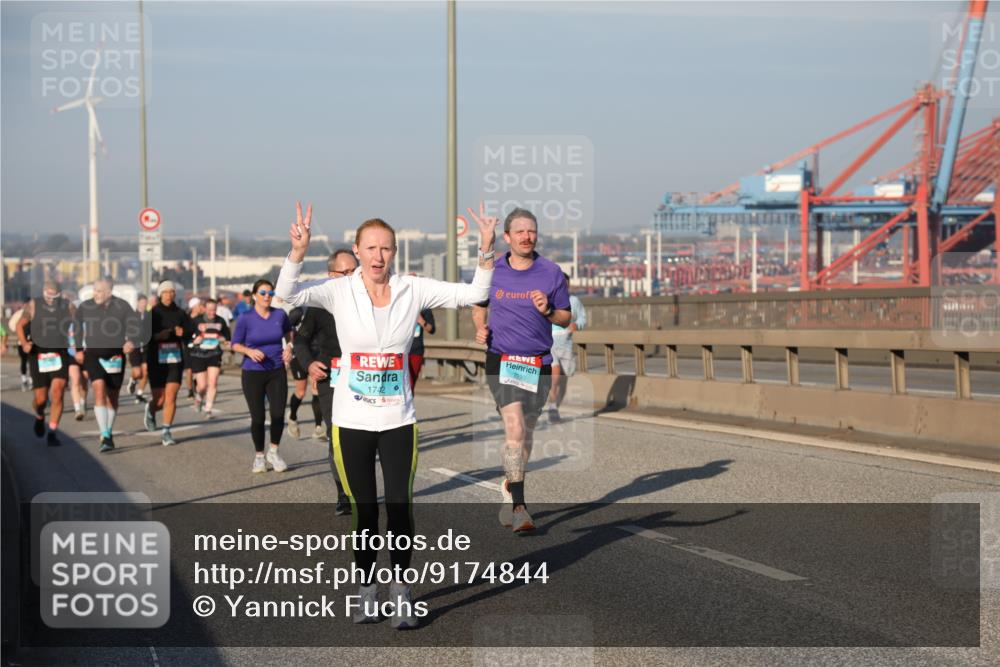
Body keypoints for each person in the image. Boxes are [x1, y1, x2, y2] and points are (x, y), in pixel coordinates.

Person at [276, 202, 496, 629]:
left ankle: (401, 592)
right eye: (371, 247)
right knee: (364, 512)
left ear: (395, 252)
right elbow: (286, 298)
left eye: (387, 248)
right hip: (352, 421)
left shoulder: (412, 289)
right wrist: (297, 253)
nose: (379, 256)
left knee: (399, 508)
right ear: (357, 251)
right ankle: (366, 592)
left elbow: (473, 294)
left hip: (398, 419)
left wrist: (485, 249)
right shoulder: (338, 290)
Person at [471, 207, 571, 534]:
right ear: (508, 237)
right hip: (501, 359)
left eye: (532, 231)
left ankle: (510, 485)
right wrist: (480, 328)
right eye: (520, 232)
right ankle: (520, 508)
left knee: (525, 433)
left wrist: (549, 310)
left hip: (538, 362)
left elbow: (566, 318)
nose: (527, 237)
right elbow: (477, 303)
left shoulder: (552, 273)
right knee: (514, 429)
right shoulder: (493, 270)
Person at [292, 248, 358, 515]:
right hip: (332, 377)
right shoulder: (320, 306)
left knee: (366, 438)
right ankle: (343, 493)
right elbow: (301, 340)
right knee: (338, 437)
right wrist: (309, 363)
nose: (352, 277)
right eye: (346, 273)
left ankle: (362, 488)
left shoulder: (371, 298)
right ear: (331, 275)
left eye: (355, 271)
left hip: (366, 377)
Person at [231, 279, 293, 473]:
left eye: (270, 293)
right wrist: (249, 352)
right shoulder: (245, 318)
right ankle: (259, 456)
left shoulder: (280, 315)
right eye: (264, 293)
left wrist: (289, 346)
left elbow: (289, 333)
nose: (268, 296)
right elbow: (235, 343)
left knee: (278, 414)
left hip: (276, 371)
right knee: (258, 417)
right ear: (254, 296)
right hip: (253, 373)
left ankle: (273, 451)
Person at [74, 278, 142, 452]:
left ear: (109, 292)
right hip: (93, 355)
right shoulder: (85, 307)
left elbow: (135, 326)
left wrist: (131, 341)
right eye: (94, 290)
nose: (95, 294)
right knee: (99, 389)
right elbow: (77, 327)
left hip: (115, 357)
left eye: (99, 291)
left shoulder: (123, 306)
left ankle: (108, 431)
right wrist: (79, 349)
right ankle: (104, 435)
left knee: (112, 398)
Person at [16, 281, 75, 446]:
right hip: (38, 354)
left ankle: (52, 432)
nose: (50, 300)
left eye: (54, 297)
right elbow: (19, 326)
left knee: (58, 392)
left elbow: (79, 323)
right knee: (41, 399)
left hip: (60, 353)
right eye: (48, 296)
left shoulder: (67, 306)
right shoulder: (34, 304)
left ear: (60, 294)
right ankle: (40, 416)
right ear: (43, 292)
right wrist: (24, 343)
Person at [143, 281, 190, 446]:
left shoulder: (181, 313)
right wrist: (158, 336)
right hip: (156, 359)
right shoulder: (153, 313)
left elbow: (190, 333)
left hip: (175, 359)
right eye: (166, 292)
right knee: (160, 400)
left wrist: (183, 333)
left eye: (171, 292)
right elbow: (143, 337)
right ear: (160, 294)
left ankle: (166, 431)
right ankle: (151, 409)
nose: (169, 295)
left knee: (171, 395)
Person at [545, 273, 587, 423]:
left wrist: (577, 325)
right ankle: (552, 407)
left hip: (566, 344)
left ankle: (553, 405)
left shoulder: (574, 301)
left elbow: (582, 318)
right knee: (555, 374)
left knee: (564, 377)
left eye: (566, 285)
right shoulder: (548, 301)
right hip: (549, 343)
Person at [186, 297, 230, 418]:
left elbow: (227, 336)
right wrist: (195, 341)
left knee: (213, 382)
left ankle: (208, 409)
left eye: (214, 310)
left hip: (214, 354)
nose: (212, 312)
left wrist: (224, 340)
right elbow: (187, 337)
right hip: (198, 355)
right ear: (204, 309)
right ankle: (199, 397)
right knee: (202, 386)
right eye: (210, 310)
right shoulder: (196, 321)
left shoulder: (220, 321)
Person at [286, 306, 322, 439]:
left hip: (317, 355)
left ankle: (318, 428)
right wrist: (289, 347)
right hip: (300, 355)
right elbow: (288, 329)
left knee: (316, 390)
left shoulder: (323, 309)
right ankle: (292, 416)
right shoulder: (299, 311)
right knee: (301, 392)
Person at [126, 294, 149, 403]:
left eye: (145, 302)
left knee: (146, 371)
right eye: (142, 302)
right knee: (138, 373)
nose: (144, 305)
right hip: (134, 347)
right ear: (138, 302)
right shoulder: (132, 316)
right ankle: (133, 380)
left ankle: (139, 394)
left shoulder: (149, 316)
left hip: (145, 346)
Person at [408, 304, 435, 390]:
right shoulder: (399, 304)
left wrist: (421, 321)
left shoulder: (424, 307)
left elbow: (431, 329)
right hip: (400, 351)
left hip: (416, 351)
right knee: (403, 382)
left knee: (410, 383)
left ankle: (409, 402)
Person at [10, 306, 32, 390]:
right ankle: (26, 379)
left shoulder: (32, 310)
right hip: (23, 343)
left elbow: (12, 325)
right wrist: (20, 334)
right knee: (26, 361)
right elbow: (14, 325)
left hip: (30, 342)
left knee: (28, 361)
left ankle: (28, 379)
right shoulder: (21, 313)